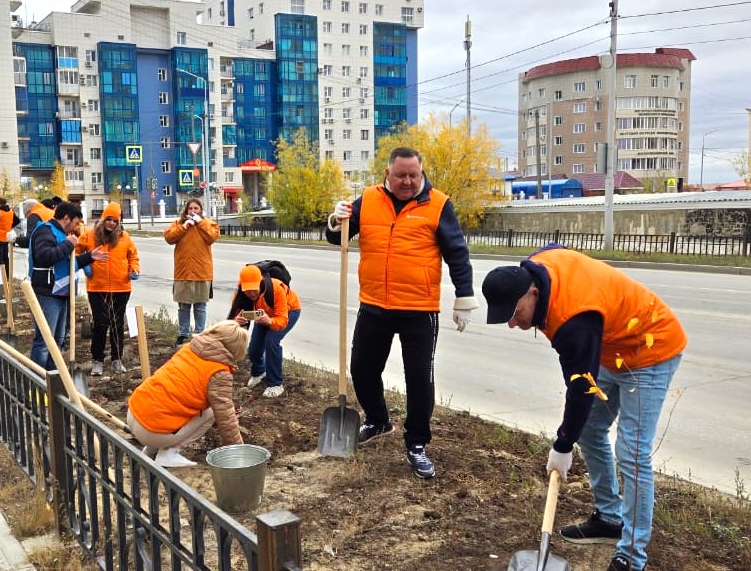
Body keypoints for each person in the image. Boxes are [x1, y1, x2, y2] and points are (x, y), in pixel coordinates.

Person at [481, 245, 686, 571]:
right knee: (590, 427)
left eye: (516, 314)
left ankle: (632, 557)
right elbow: (556, 249)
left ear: (533, 293)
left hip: (651, 346)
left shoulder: (573, 321)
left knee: (632, 450)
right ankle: (609, 517)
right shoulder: (534, 268)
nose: (513, 324)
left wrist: (562, 446)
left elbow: (580, 390)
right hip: (610, 344)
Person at [325, 146, 479, 479]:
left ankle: (417, 443)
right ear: (387, 174)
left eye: (414, 175)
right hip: (375, 304)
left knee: (419, 378)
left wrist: (464, 296)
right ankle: (378, 420)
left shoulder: (438, 204)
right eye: (401, 175)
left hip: (418, 309)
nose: (408, 181)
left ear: (421, 173)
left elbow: (458, 253)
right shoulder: (368, 199)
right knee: (362, 369)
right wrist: (336, 220)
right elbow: (338, 240)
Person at [126, 320, 248, 467]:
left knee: (172, 398)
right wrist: (239, 453)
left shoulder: (189, 348)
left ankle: (151, 450)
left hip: (134, 413)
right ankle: (169, 453)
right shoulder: (219, 372)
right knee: (211, 413)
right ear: (236, 350)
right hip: (152, 432)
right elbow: (226, 418)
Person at [29, 201, 107, 371]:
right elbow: (45, 257)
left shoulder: (61, 234)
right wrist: (68, 244)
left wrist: (89, 257)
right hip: (47, 293)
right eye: (76, 223)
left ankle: (52, 377)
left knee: (57, 339)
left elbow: (66, 263)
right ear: (66, 218)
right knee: (44, 340)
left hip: (61, 292)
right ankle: (37, 378)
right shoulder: (45, 231)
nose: (76, 228)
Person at [76, 202, 139, 375]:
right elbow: (76, 251)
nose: (111, 223)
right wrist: (85, 264)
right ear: (103, 219)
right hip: (97, 287)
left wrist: (134, 269)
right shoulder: (90, 235)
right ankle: (97, 360)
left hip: (121, 287)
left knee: (117, 324)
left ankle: (116, 359)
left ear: (119, 222)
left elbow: (133, 256)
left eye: (114, 220)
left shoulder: (124, 237)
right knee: (100, 324)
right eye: (108, 219)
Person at [229, 264, 300, 398]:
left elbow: (282, 320)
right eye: (247, 290)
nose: (251, 293)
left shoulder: (276, 288)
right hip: (262, 314)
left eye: (254, 289)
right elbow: (230, 321)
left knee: (271, 341)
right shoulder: (240, 293)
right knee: (254, 349)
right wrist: (236, 321)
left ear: (260, 282)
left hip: (289, 311)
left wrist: (269, 321)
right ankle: (259, 372)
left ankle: (275, 384)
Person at [164, 197, 220, 345]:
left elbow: (212, 237)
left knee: (200, 305)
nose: (193, 211)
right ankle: (183, 334)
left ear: (201, 210)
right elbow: (169, 238)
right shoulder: (179, 224)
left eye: (196, 208)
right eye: (191, 208)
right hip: (184, 271)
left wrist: (200, 223)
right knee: (184, 305)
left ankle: (200, 334)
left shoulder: (208, 223)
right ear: (186, 210)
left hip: (202, 272)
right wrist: (184, 227)